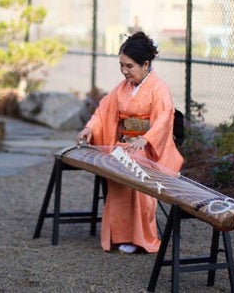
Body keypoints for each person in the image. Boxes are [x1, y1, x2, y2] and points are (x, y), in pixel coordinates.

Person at [76, 31, 184, 254]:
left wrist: (145, 139)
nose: (124, 71)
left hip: (150, 150)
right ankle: (121, 236)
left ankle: (143, 238)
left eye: (129, 66)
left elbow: (164, 119)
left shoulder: (159, 88)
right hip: (125, 147)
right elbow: (104, 109)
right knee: (117, 172)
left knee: (136, 170)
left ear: (146, 64)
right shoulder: (123, 88)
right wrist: (90, 128)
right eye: (121, 66)